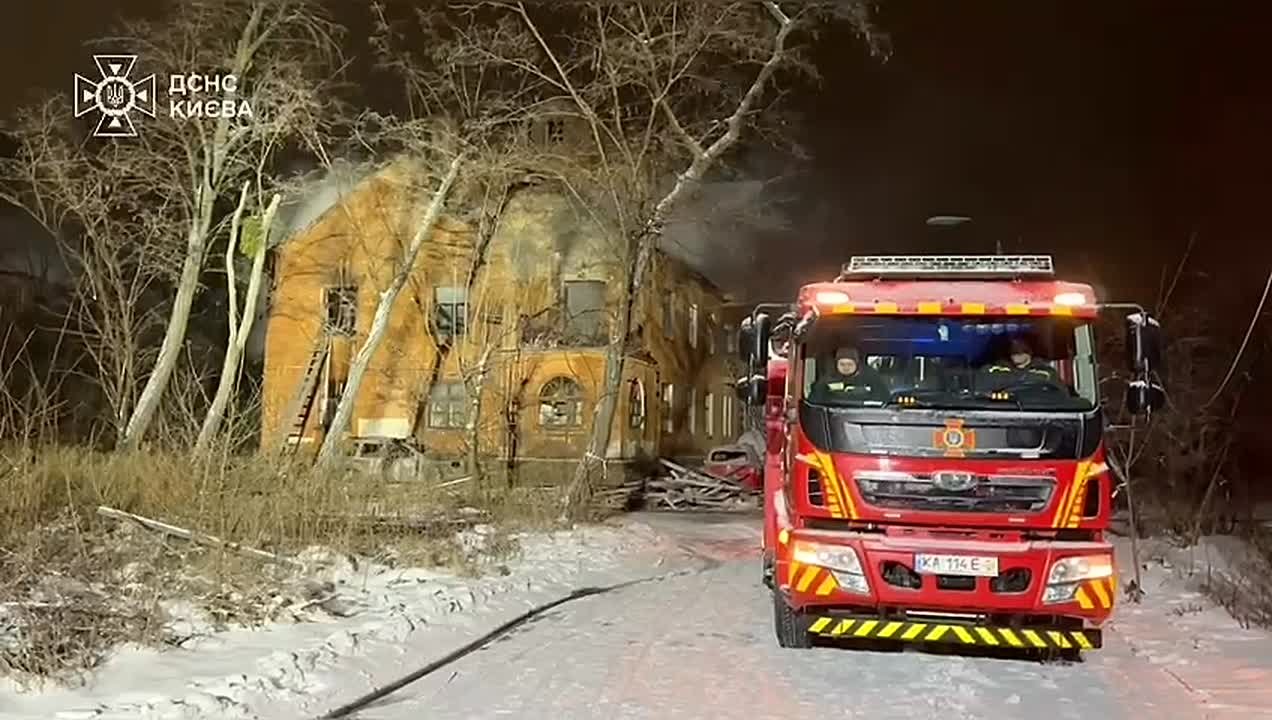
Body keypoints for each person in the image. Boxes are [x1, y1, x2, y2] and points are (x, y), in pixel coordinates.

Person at [809, 346, 890, 404]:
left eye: (849, 364)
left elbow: (883, 397)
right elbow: (814, 400)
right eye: (842, 364)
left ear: (857, 364)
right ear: (837, 364)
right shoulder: (827, 379)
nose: (846, 367)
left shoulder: (870, 377)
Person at [979, 336, 1061, 391]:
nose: (1016, 351)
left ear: (1030, 350)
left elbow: (1061, 398)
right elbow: (980, 393)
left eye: (1021, 348)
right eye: (1013, 348)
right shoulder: (993, 371)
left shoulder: (1046, 374)